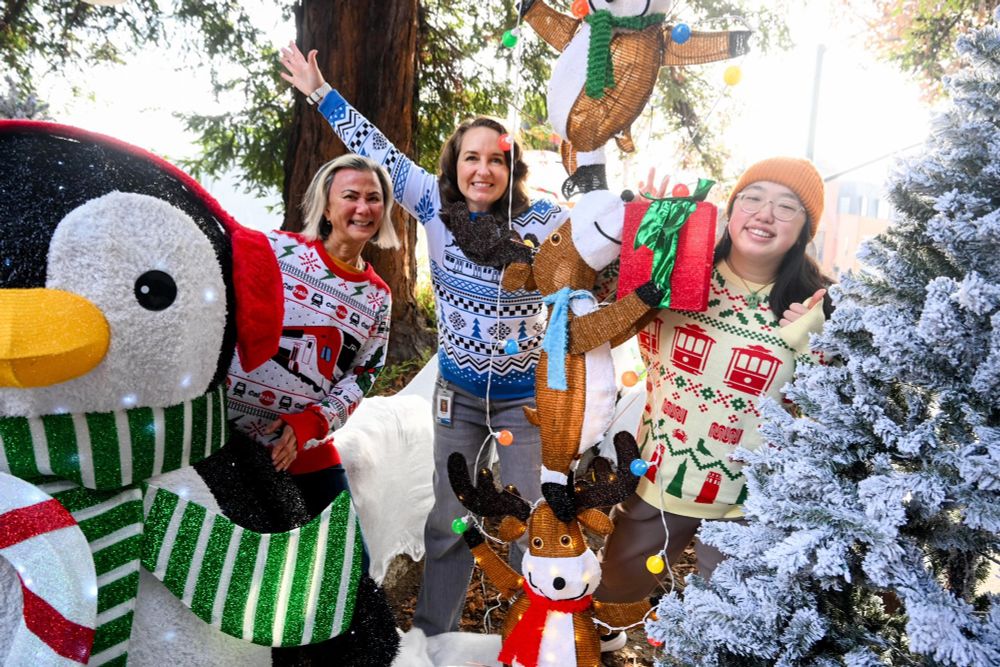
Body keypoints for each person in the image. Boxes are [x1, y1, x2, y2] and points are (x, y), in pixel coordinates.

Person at [279, 43, 569, 636]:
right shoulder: (433, 206)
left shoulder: (544, 224)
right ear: (454, 165)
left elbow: (606, 245)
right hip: (455, 397)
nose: (483, 169)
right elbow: (375, 147)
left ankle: (535, 636)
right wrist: (319, 91)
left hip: (524, 401)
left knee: (528, 520)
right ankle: (435, 636)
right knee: (447, 520)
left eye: (497, 159)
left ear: (512, 170)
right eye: (471, 158)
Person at [596, 157, 832, 651]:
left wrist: (821, 344)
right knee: (607, 602)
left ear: (805, 229)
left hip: (749, 501)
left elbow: (835, 412)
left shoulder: (817, 305)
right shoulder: (683, 268)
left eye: (786, 207)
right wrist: (646, 231)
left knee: (728, 634)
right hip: (661, 475)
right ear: (731, 208)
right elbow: (596, 312)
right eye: (753, 197)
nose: (765, 214)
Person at [226, 153, 396, 518]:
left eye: (373, 198)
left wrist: (312, 423)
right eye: (350, 196)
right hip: (219, 437)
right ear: (327, 208)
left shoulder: (378, 296)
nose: (363, 208)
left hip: (302, 448)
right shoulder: (275, 250)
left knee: (347, 559)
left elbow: (363, 375)